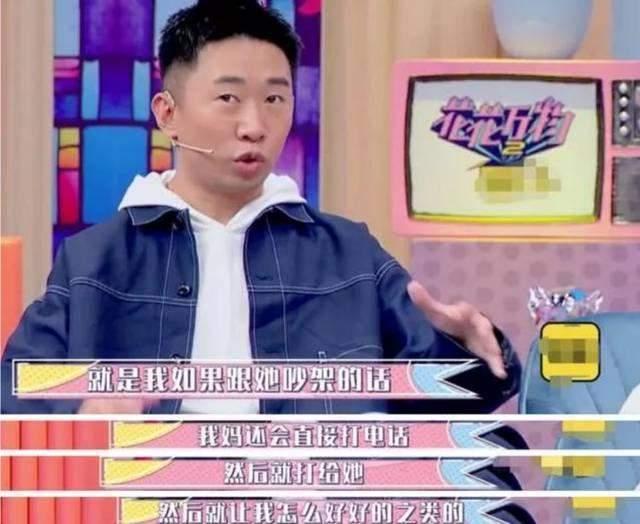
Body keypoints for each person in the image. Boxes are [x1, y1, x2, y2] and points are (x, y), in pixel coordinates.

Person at [1, 0, 520, 415]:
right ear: (168, 113)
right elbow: (15, 391)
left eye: (275, 99)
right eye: (228, 99)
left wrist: (468, 347)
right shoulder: (95, 259)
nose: (254, 126)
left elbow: (449, 400)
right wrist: (79, 410)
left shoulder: (350, 255)